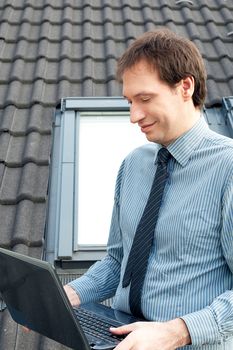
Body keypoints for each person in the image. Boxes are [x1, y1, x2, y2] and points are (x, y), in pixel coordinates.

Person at [64, 28, 233, 349]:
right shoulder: (133, 165)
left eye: (144, 99)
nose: (133, 115)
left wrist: (179, 331)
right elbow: (118, 262)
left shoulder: (228, 169)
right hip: (119, 339)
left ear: (185, 86)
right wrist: (68, 295)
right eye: (129, 101)